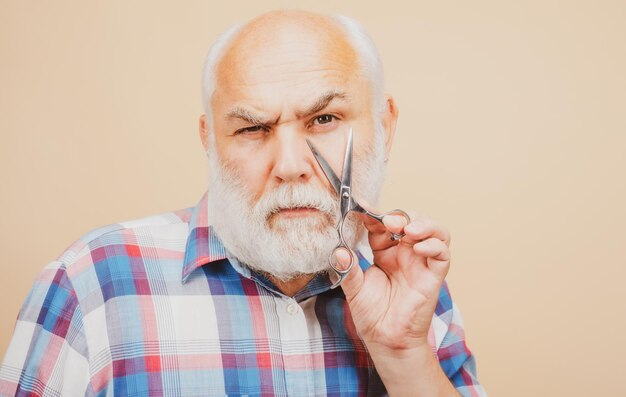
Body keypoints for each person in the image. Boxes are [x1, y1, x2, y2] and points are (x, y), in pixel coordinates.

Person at [0, 10, 486, 397]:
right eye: (253, 128)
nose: (292, 164)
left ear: (386, 126)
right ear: (210, 139)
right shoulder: (90, 285)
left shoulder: (413, 292)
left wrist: (405, 357)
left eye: (324, 119)